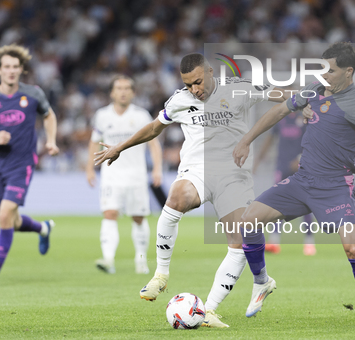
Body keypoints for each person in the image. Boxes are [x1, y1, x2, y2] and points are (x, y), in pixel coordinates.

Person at [94, 53, 287, 328]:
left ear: (210, 72)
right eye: (188, 85)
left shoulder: (238, 88)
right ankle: (160, 275)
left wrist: (308, 100)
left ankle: (208, 309)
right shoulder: (180, 100)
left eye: (197, 82)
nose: (194, 90)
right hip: (197, 169)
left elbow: (280, 93)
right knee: (176, 197)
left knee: (240, 241)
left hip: (234, 175)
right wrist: (119, 147)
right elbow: (152, 129)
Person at [233, 42, 355, 331]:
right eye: (323, 68)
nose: (325, 74)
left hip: (335, 186)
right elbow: (280, 110)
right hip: (302, 181)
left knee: (353, 249)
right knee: (249, 221)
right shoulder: (313, 90)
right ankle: (262, 282)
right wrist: (245, 140)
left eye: (331, 70)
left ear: (349, 72)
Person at [0, 44, 59, 288]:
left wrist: (51, 141)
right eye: (6, 67)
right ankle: (42, 228)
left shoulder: (33, 94)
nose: (11, 71)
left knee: (4, 215)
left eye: (15, 67)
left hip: (23, 163)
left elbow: (49, 115)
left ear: (21, 70)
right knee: (11, 220)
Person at [86, 75, 163, 275]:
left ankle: (140, 260)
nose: (123, 91)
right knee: (110, 213)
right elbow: (94, 142)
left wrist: (157, 169)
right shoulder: (102, 115)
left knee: (138, 217)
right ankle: (108, 259)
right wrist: (89, 168)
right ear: (112, 92)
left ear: (133, 92)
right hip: (111, 174)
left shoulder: (141, 115)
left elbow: (154, 144)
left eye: (127, 88)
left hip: (136, 174)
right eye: (119, 88)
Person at [253, 112, 316, 255]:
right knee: (277, 204)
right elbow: (269, 140)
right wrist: (258, 160)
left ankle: (309, 243)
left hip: (301, 168)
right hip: (281, 168)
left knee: (306, 203)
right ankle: (274, 241)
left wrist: (301, 158)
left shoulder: (304, 118)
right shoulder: (279, 118)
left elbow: (312, 142)